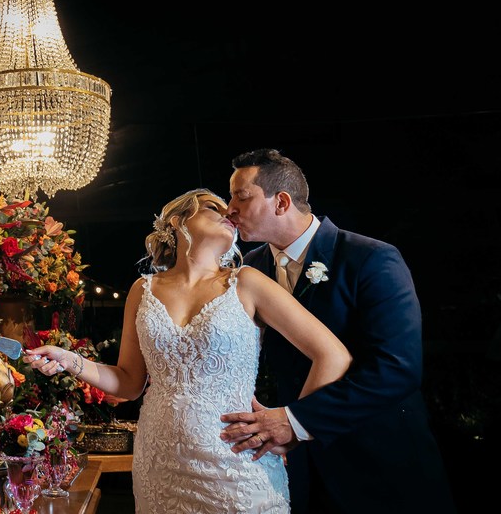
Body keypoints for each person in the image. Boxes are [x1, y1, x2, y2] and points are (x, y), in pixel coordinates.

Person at [27, 188, 351, 514]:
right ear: (178, 220)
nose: (229, 213)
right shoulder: (143, 290)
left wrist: (293, 424)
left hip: (235, 465)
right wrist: (71, 361)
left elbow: (332, 355)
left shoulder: (247, 282)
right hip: (160, 466)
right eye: (213, 207)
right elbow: (128, 382)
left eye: (230, 210)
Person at [219, 148, 456, 513]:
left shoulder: (371, 258)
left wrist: (296, 421)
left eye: (241, 197)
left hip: (380, 463)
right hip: (295, 470)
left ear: (281, 202)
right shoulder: (252, 268)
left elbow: (397, 368)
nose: (229, 209)